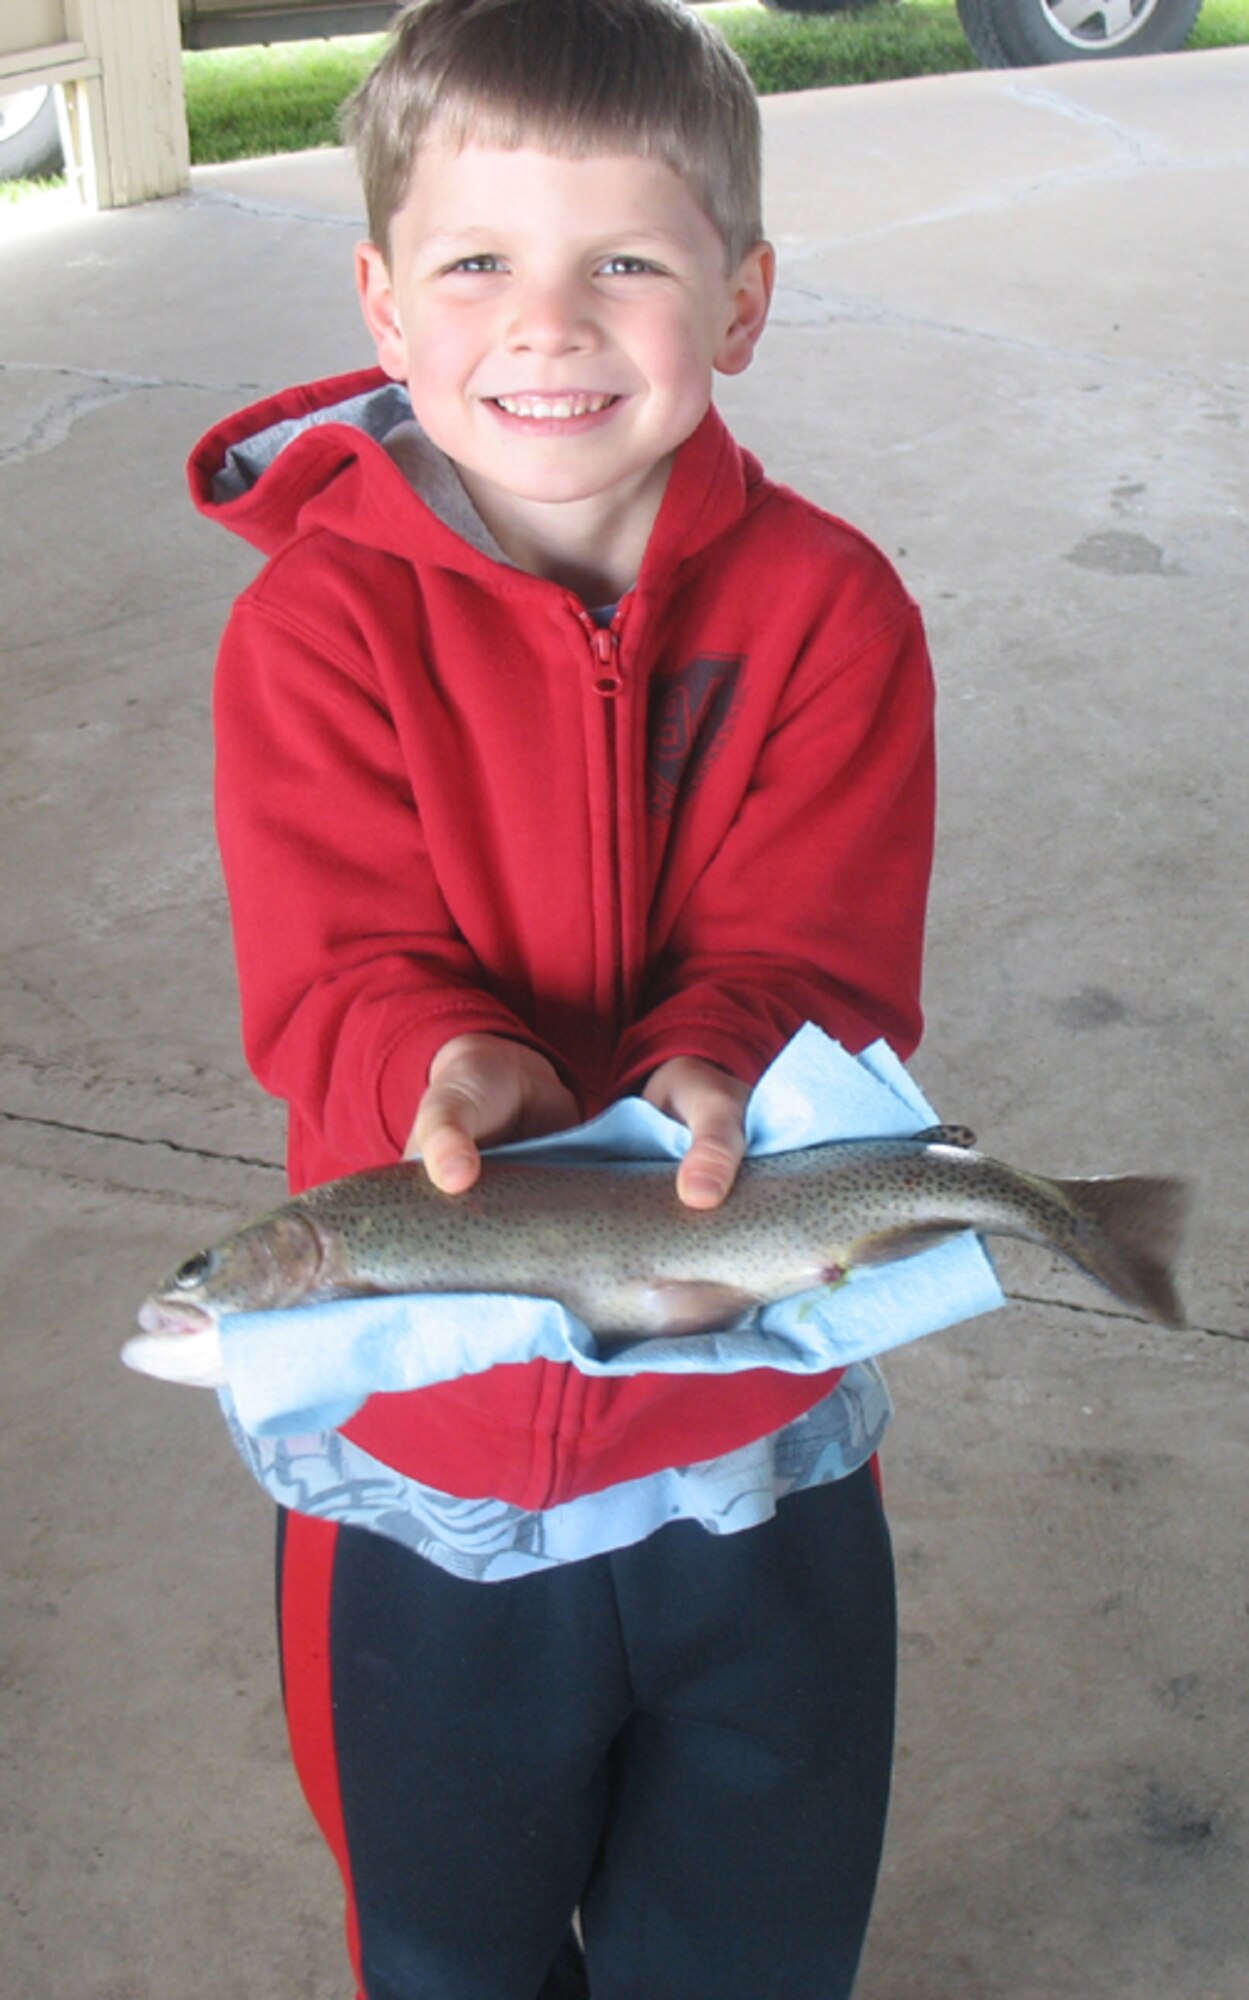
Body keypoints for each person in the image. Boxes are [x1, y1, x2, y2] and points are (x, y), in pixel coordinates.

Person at [188, 1, 935, 1993]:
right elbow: (330, 960)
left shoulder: (832, 610)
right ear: (381, 299)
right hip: (424, 1466)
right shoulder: (312, 631)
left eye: (625, 261)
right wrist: (446, 1063)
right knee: (445, 1946)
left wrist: (727, 1059)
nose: (549, 324)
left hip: (750, 1427)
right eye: (475, 264)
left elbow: (823, 947)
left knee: (757, 1935)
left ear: (743, 296)